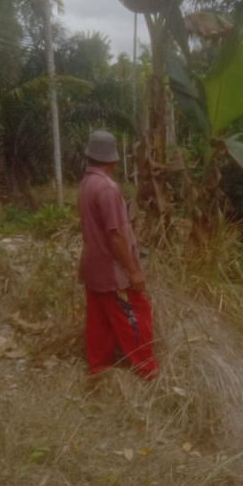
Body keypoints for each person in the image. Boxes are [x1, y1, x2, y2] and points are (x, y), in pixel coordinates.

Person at [78, 130, 159, 379]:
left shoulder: (86, 184)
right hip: (113, 273)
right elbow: (115, 236)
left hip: (93, 267)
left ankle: (99, 369)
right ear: (113, 160)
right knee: (136, 313)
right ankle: (146, 369)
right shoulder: (107, 188)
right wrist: (133, 271)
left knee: (99, 321)